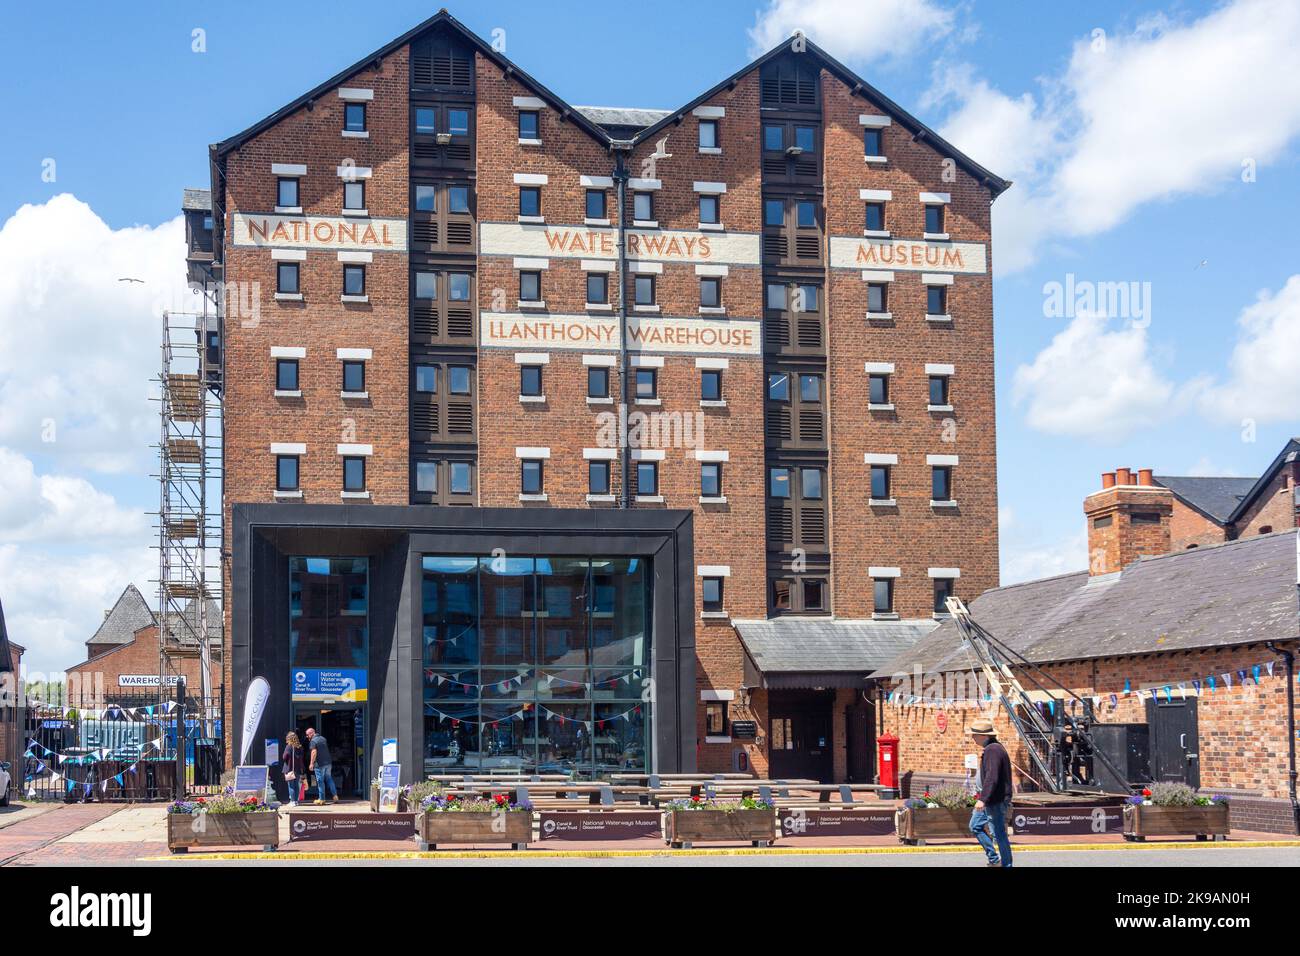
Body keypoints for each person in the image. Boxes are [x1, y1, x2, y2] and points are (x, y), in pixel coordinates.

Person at [969, 717, 1013, 867]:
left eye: (974, 734)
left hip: (995, 799)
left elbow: (992, 777)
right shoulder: (993, 748)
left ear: (984, 735)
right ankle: (994, 860)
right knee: (975, 825)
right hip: (991, 799)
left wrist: (983, 799)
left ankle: (1006, 865)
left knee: (999, 834)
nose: (972, 738)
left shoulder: (993, 750)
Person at [305, 726, 338, 804]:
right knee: (329, 779)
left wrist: (311, 763)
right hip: (328, 763)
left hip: (319, 764)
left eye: (307, 735)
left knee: (320, 781)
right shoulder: (323, 738)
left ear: (311, 733)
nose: (307, 737)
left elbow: (314, 752)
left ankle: (321, 799)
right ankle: (335, 796)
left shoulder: (313, 741)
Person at [282, 731, 306, 805]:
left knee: (291, 786)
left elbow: (284, 757)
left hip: (290, 769)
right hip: (298, 769)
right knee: (296, 786)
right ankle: (296, 801)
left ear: (289, 739)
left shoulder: (289, 746)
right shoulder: (300, 747)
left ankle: (292, 801)